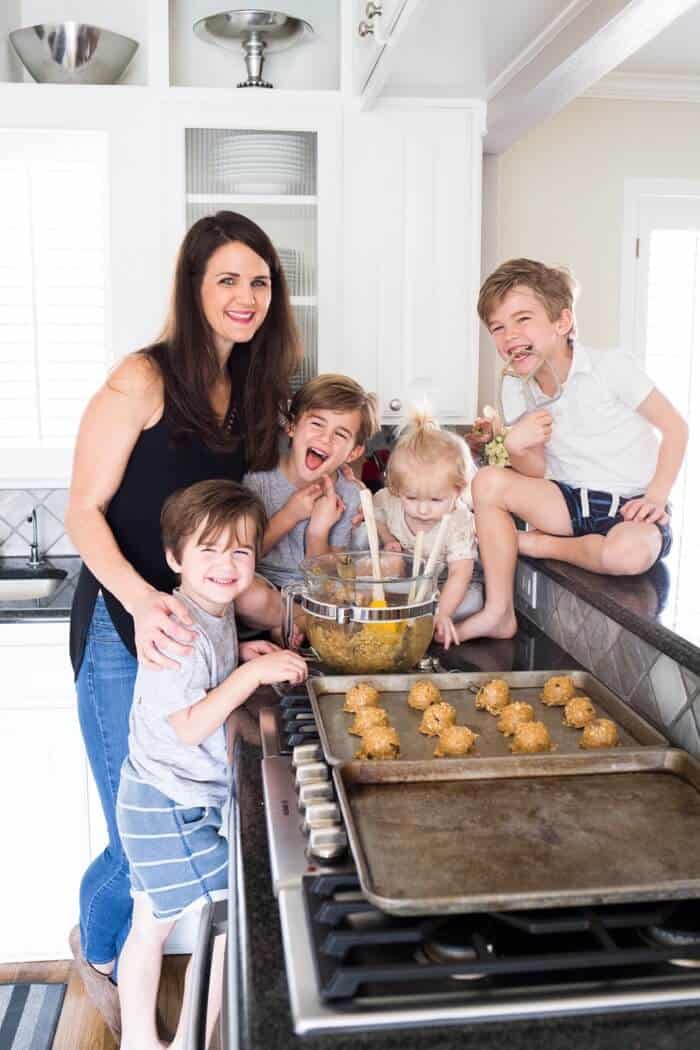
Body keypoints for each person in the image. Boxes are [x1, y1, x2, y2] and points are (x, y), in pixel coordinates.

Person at [65, 211, 301, 1037]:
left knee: (175, 811)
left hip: (196, 632)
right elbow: (82, 510)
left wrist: (248, 624)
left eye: (260, 282)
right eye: (227, 280)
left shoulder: (248, 394)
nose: (246, 297)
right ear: (194, 289)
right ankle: (97, 951)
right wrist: (138, 598)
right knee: (138, 825)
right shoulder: (143, 377)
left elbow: (221, 539)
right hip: (120, 624)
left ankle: (124, 949)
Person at [116, 480, 307, 1050]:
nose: (226, 565)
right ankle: (189, 1043)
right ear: (175, 557)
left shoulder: (210, 610)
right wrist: (249, 678)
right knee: (237, 912)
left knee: (151, 926)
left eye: (241, 551)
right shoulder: (178, 628)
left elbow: (200, 683)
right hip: (167, 803)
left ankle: (142, 1044)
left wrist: (239, 658)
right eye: (209, 550)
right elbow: (191, 725)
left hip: (155, 796)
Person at [460, 257, 688, 642]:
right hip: (568, 503)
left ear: (562, 323)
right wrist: (517, 445)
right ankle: (499, 611)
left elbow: (676, 429)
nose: (508, 335)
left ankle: (539, 544)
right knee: (486, 482)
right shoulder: (518, 387)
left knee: (626, 555)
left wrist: (656, 497)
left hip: (630, 507)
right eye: (497, 328)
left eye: (522, 319)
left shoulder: (610, 367)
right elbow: (534, 471)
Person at [243, 373, 380, 588]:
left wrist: (318, 530)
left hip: (313, 592)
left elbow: (327, 582)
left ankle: (295, 617)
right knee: (249, 596)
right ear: (291, 426)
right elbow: (243, 555)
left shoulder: (349, 496)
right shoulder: (258, 480)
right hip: (262, 584)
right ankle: (294, 617)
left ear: (353, 453)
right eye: (317, 424)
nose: (325, 438)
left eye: (340, 434)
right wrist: (290, 515)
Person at [373, 408, 483, 648]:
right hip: (402, 580)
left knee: (474, 600)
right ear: (397, 488)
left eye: (435, 501)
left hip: (442, 585)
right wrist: (388, 537)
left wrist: (441, 614)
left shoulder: (458, 520)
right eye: (411, 498)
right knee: (363, 535)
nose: (422, 510)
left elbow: (459, 573)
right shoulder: (389, 500)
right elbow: (375, 515)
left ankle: (428, 618)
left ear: (458, 489)